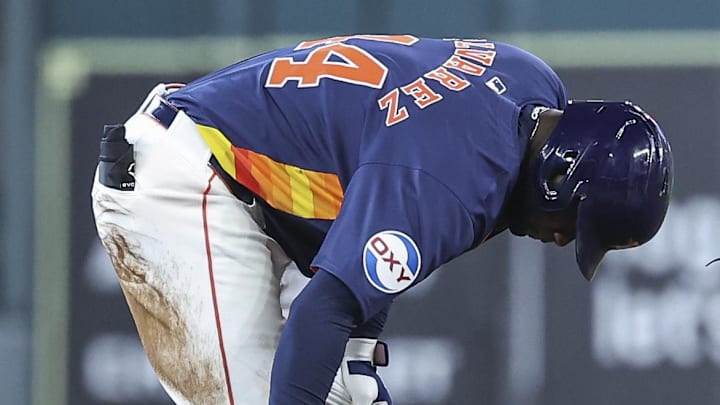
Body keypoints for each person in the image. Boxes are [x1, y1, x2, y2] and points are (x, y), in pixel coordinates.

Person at [91, 34, 673, 405]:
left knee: (347, 392)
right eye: (575, 222)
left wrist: (356, 357)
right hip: (192, 174)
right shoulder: (457, 180)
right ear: (559, 177)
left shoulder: (530, 82)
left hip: (258, 186)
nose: (562, 237)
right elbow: (327, 306)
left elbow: (384, 193)